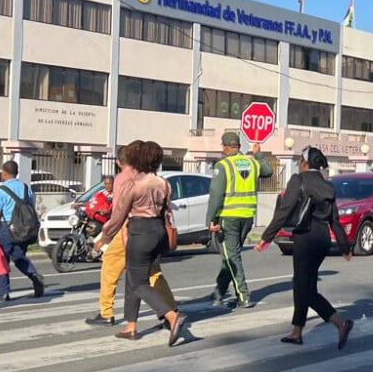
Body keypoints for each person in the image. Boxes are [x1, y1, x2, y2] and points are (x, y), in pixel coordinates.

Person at [257, 145, 354, 349]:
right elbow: (335, 220)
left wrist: (267, 237)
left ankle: (340, 323)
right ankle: (297, 331)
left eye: (300, 161)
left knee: (304, 289)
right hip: (323, 240)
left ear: (304, 163)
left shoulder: (298, 180)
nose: (298, 165)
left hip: (305, 239)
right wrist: (345, 247)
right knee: (306, 284)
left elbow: (284, 211)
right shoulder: (328, 187)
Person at [94, 140, 186, 346]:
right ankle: (131, 326)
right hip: (158, 232)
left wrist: (104, 237)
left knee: (138, 283)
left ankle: (172, 316)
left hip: (140, 232)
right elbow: (166, 211)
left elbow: (118, 217)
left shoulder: (133, 185)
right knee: (134, 277)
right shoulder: (163, 183)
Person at [85, 156, 177, 327]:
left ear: (119, 162)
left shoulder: (124, 178)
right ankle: (171, 310)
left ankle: (106, 312)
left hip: (129, 230)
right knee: (152, 272)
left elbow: (120, 211)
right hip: (154, 230)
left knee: (110, 267)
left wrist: (106, 237)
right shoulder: (156, 180)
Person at [207, 131, 273, 309]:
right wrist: (258, 153)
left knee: (232, 256)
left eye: (222, 147)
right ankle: (219, 292)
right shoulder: (252, 162)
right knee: (230, 255)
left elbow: (216, 195)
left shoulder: (224, 165)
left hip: (229, 217)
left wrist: (211, 219)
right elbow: (268, 171)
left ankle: (243, 295)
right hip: (247, 217)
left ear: (226, 147)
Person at [0, 160, 45, 301]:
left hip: (6, 229)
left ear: (4, 173)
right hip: (24, 228)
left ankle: (4, 290)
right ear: (17, 172)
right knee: (18, 255)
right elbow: (30, 205)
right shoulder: (26, 188)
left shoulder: (0, 191)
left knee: (3, 259)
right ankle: (32, 276)